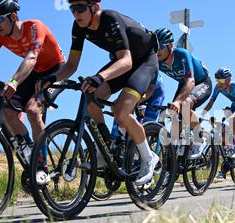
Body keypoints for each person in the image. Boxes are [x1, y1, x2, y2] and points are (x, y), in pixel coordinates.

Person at [39, 0, 160, 185]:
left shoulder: (110, 18)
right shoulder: (78, 26)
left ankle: (148, 157)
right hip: (122, 61)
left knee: (120, 111)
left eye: (80, 8)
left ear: (94, 8)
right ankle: (106, 147)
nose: (75, 13)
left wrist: (99, 77)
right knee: (91, 98)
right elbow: (71, 65)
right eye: (72, 9)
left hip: (143, 61)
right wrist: (52, 79)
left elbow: (126, 61)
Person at [0, 0, 65, 171]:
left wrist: (14, 81)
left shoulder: (34, 27)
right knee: (8, 112)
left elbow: (31, 57)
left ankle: (41, 166)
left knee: (32, 109)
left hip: (56, 71)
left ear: (13, 16)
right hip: (34, 72)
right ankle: (31, 150)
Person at [155, 28, 212, 159]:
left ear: (170, 46)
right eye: (155, 47)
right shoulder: (158, 61)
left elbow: (191, 82)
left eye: (161, 47)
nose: (157, 51)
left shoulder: (181, 54)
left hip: (201, 82)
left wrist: (178, 101)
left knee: (184, 104)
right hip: (184, 83)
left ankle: (199, 138)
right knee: (174, 115)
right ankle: (173, 159)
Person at [202, 67, 235, 158]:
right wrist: (201, 114)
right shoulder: (218, 87)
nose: (219, 83)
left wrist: (230, 119)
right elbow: (210, 104)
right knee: (223, 128)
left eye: (221, 80)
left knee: (232, 120)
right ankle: (229, 149)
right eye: (217, 80)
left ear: (229, 79)